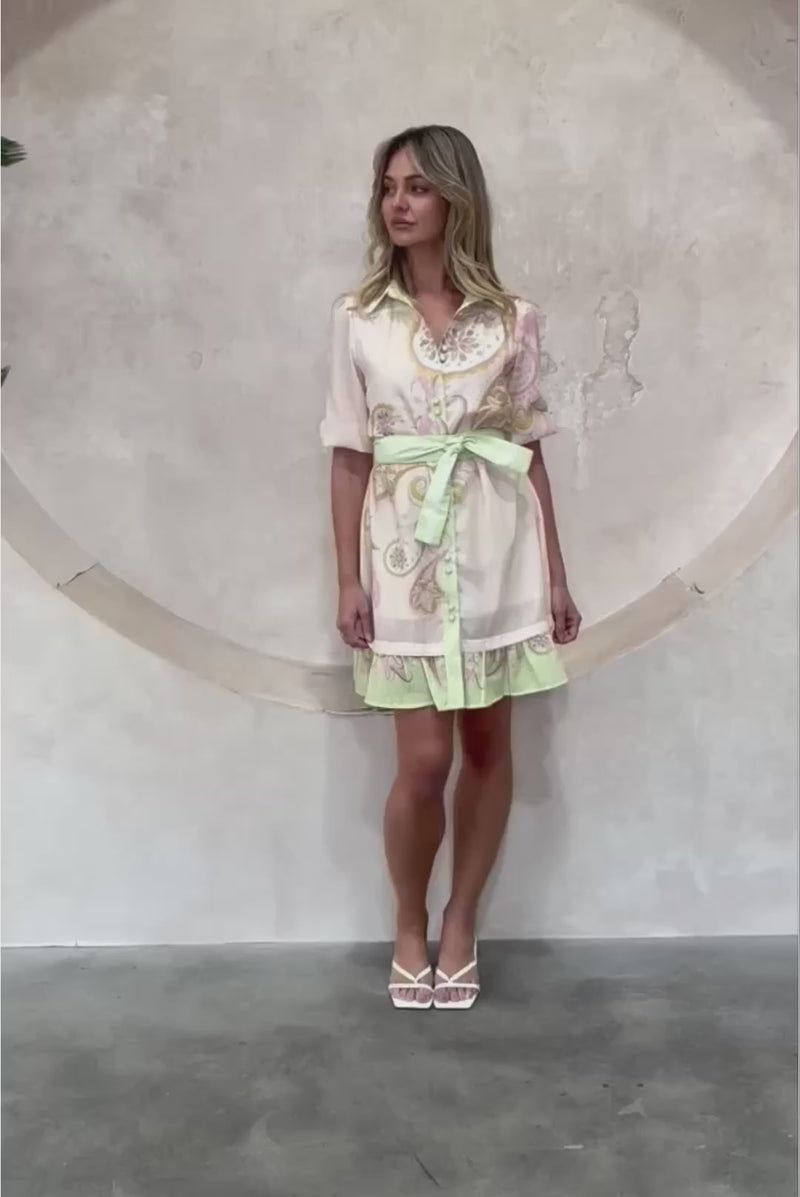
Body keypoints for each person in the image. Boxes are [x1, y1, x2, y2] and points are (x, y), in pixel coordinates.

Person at [320, 125, 581, 1010]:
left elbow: (527, 451)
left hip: (500, 549)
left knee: (488, 746)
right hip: (403, 556)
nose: (398, 202)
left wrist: (555, 574)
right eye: (388, 186)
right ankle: (408, 922)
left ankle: (461, 922)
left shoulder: (513, 319)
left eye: (418, 187)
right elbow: (348, 454)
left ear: (456, 200)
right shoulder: (358, 318)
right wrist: (348, 579)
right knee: (425, 758)